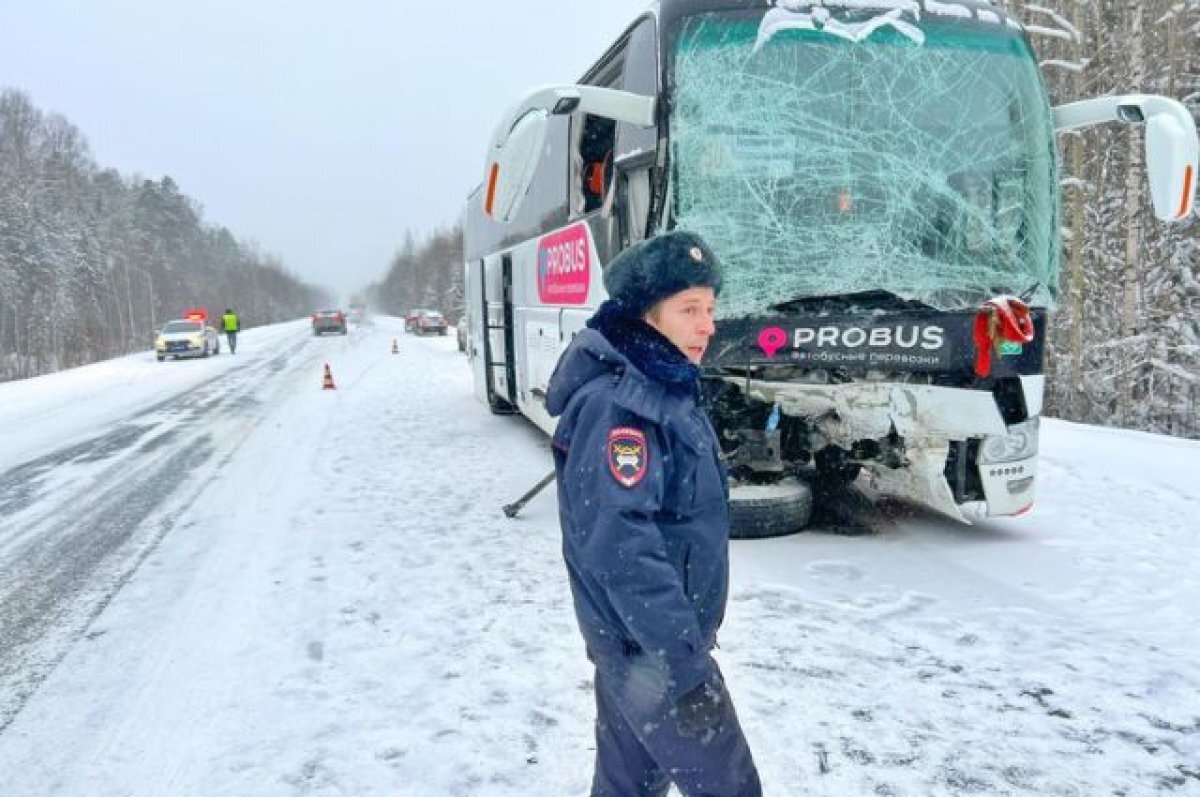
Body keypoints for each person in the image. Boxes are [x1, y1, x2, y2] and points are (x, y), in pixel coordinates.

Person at [546, 230, 762, 797]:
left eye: (710, 309)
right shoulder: (621, 408)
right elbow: (620, 549)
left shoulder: (663, 391)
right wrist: (684, 663)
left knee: (626, 789)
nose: (708, 325)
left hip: (639, 649)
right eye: (690, 309)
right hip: (657, 655)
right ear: (647, 317)